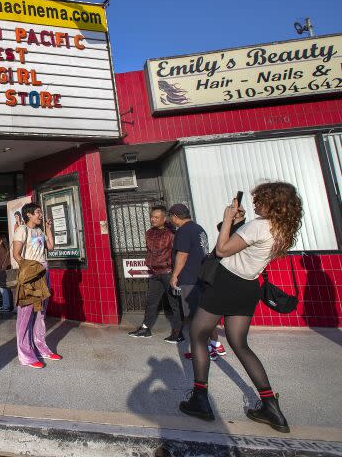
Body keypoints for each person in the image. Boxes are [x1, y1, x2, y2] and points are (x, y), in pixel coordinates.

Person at [179, 183, 303, 433]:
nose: (255, 204)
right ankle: (271, 406)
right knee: (240, 343)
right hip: (248, 287)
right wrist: (238, 223)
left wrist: (227, 219)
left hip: (226, 283)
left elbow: (222, 249)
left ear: (273, 204)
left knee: (199, 334)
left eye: (260, 201)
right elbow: (241, 247)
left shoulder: (259, 225)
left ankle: (200, 400)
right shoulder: (281, 229)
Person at [166, 204, 221, 358]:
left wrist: (175, 275)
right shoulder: (198, 228)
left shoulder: (183, 231)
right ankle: (215, 344)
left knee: (194, 317)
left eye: (171, 217)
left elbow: (182, 255)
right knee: (203, 313)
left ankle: (204, 351)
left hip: (189, 278)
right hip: (201, 276)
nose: (171, 220)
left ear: (175, 216)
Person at [13, 203, 61, 369]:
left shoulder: (39, 230)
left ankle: (41, 347)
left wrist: (48, 229)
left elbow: (50, 247)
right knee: (25, 315)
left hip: (43, 272)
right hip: (31, 275)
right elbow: (16, 255)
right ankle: (25, 355)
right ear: (28, 215)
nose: (41, 215)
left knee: (40, 313)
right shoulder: (22, 230)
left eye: (40, 212)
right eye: (38, 212)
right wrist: (29, 270)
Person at [128, 207, 182, 341]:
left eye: (156, 217)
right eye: (152, 216)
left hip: (168, 272)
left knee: (174, 303)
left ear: (164, 219)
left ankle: (178, 332)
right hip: (154, 273)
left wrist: (175, 272)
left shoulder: (171, 233)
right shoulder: (149, 233)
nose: (153, 219)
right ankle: (145, 329)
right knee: (151, 302)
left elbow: (177, 253)